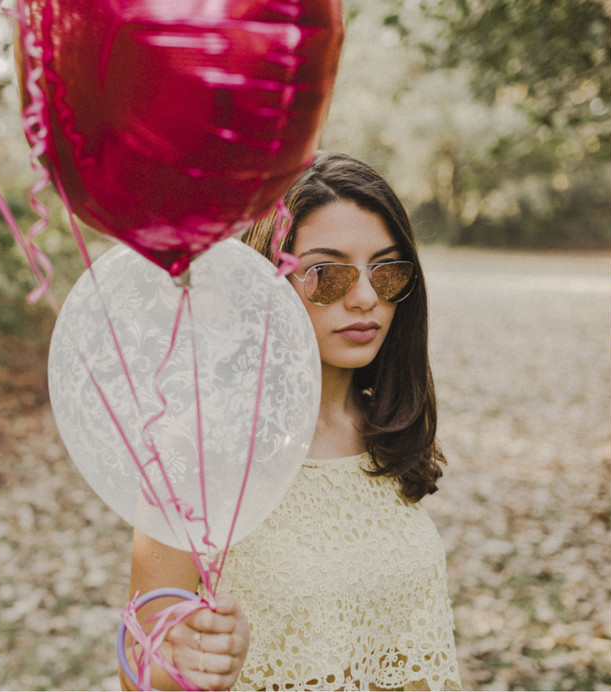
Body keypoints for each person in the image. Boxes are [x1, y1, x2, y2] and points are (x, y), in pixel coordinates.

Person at [123, 152, 461, 691]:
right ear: (265, 283)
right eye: (327, 275)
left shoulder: (387, 429)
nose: (366, 298)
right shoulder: (195, 452)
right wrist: (188, 662)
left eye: (388, 271)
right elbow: (141, 675)